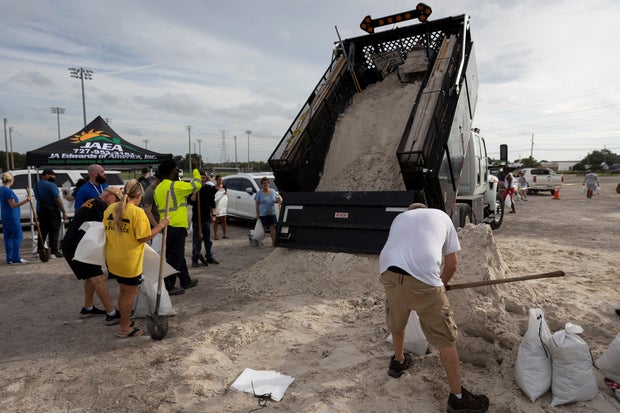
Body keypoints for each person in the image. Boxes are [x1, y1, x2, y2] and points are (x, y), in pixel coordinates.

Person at [379, 203, 490, 412]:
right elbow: (452, 265)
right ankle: (457, 398)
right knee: (445, 336)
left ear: (411, 212)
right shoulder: (442, 216)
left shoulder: (400, 219)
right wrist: (442, 284)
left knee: (397, 316)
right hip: (423, 279)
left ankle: (399, 361)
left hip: (389, 273)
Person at [103, 179, 170, 338]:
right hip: (129, 261)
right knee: (129, 295)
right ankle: (124, 328)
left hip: (113, 258)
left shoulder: (111, 208)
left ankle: (124, 321)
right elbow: (144, 237)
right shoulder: (137, 212)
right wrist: (161, 225)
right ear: (139, 196)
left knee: (123, 291)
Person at [62, 187, 123, 324]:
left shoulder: (93, 202)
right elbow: (111, 225)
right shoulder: (100, 205)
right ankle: (112, 313)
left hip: (76, 245)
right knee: (99, 278)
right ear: (109, 195)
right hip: (76, 247)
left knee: (91, 277)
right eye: (116, 200)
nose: (116, 204)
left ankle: (88, 308)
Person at [154, 159, 201, 295]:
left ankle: (185, 280)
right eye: (175, 170)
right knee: (175, 257)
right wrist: (195, 169)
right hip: (176, 226)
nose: (177, 172)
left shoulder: (159, 188)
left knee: (175, 255)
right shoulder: (175, 186)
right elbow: (197, 185)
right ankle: (169, 286)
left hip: (166, 227)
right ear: (171, 172)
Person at [33, 169, 68, 258]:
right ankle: (53, 251)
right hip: (52, 211)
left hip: (41, 210)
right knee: (54, 231)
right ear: (46, 175)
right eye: (52, 175)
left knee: (43, 231)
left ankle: (40, 250)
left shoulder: (36, 185)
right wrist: (64, 211)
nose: (54, 177)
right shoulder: (51, 185)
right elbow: (57, 200)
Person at [188, 173, 219, 267]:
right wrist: (196, 191)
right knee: (196, 240)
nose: (202, 180)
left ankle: (209, 257)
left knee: (207, 239)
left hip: (206, 218)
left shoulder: (209, 189)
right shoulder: (193, 190)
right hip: (197, 219)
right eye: (201, 178)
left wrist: (213, 214)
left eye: (204, 178)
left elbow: (212, 203)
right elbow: (191, 201)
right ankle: (195, 259)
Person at [1, 173, 32, 264]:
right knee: (18, 236)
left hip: (5, 216)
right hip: (12, 217)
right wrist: (26, 200)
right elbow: (13, 205)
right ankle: (16, 258)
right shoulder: (8, 191)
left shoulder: (2, 189)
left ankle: (9, 258)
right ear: (11, 180)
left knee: (8, 238)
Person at [254, 176, 280, 247]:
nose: (265, 184)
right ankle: (261, 241)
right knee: (263, 229)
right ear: (261, 185)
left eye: (267, 183)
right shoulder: (259, 193)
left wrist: (277, 201)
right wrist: (257, 215)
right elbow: (257, 205)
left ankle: (273, 242)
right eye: (264, 183)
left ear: (269, 183)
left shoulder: (273, 191)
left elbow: (276, 201)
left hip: (271, 213)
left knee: (272, 228)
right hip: (263, 214)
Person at [213, 175, 228, 239]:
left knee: (224, 220)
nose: (220, 181)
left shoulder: (224, 186)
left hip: (223, 206)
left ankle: (224, 234)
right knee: (216, 220)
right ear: (216, 180)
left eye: (221, 180)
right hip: (216, 206)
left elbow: (225, 194)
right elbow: (213, 197)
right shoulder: (213, 188)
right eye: (219, 179)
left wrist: (225, 194)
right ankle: (215, 235)